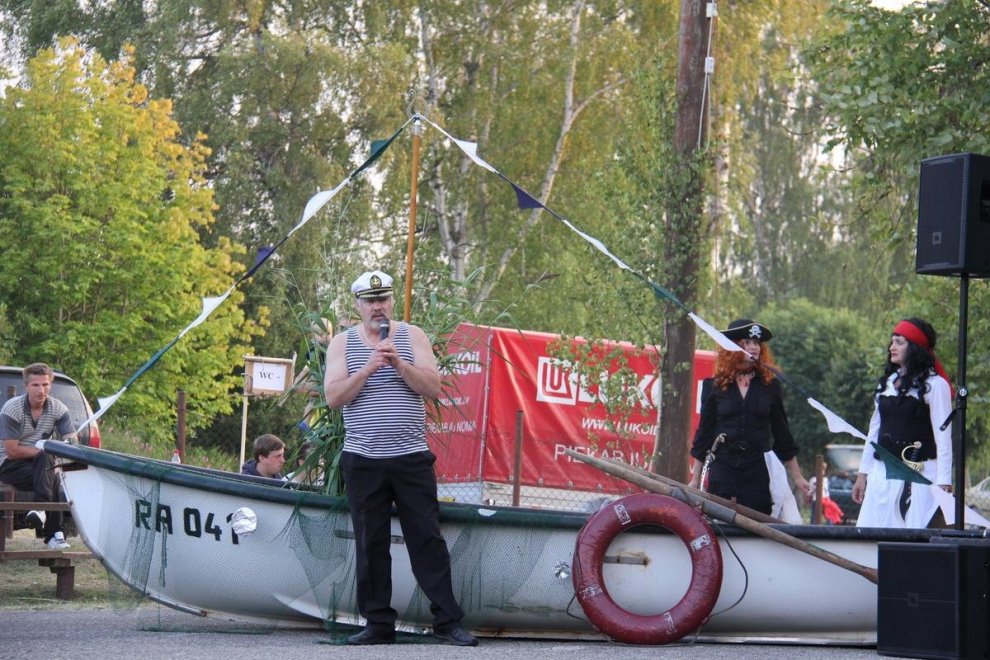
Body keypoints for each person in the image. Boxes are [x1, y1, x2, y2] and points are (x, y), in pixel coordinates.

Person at [323, 269, 478, 647]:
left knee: (427, 540)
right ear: (358, 305)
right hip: (363, 460)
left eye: (383, 299)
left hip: (410, 458)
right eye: (370, 301)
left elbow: (433, 388)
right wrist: (369, 367)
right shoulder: (342, 343)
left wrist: (399, 364)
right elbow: (334, 397)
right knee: (370, 543)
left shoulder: (413, 336)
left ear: (392, 301)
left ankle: (447, 622)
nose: (377, 307)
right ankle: (378, 624)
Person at [688, 319, 811, 518]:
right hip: (724, 466)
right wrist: (695, 479)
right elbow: (704, 433)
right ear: (732, 347)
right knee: (720, 520)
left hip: (756, 468)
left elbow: (783, 434)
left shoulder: (770, 387)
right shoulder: (714, 386)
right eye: (746, 342)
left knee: (757, 520)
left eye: (756, 343)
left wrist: (797, 477)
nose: (753, 347)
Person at [852, 318, 953, 528]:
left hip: (918, 475)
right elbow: (874, 431)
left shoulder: (935, 386)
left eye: (899, 342)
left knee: (909, 534)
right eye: (892, 341)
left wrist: (944, 481)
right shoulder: (888, 383)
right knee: (871, 533)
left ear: (914, 347)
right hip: (881, 473)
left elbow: (943, 438)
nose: (892, 347)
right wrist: (863, 473)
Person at [0, 363, 77, 549]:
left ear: (50, 385)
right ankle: (55, 534)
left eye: (45, 384)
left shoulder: (59, 409)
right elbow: (12, 451)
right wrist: (48, 450)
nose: (41, 390)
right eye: (35, 385)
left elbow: (73, 443)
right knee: (50, 472)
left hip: (40, 465)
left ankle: (42, 512)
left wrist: (70, 442)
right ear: (26, 386)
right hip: (10, 465)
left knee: (48, 467)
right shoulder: (12, 409)